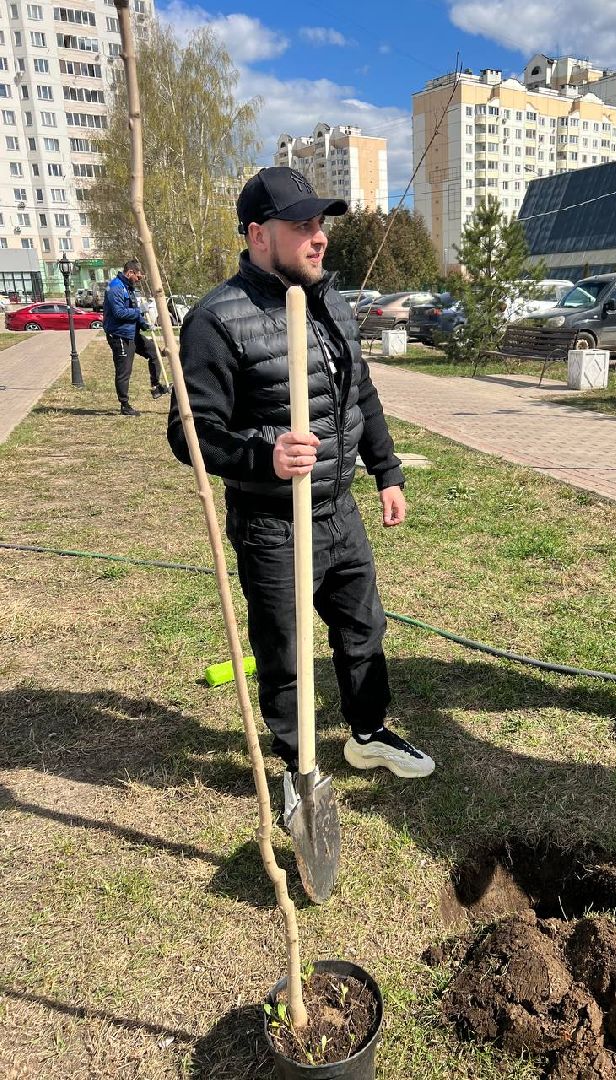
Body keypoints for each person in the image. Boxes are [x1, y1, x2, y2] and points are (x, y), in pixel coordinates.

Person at [167, 166, 434, 817]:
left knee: (363, 629)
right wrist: (264, 452)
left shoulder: (329, 299)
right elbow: (188, 433)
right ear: (259, 235)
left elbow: (359, 396)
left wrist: (387, 471)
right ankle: (296, 764)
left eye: (321, 224)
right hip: (271, 522)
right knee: (284, 651)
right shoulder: (216, 320)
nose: (319, 238)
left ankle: (367, 734)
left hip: (338, 510)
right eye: (302, 226)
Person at [103, 258, 170, 415]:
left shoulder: (129, 287)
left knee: (154, 353)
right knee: (124, 370)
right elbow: (119, 313)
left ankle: (156, 387)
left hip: (132, 332)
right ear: (130, 272)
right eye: (138, 277)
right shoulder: (116, 288)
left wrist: (145, 324)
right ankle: (124, 405)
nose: (139, 280)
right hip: (119, 335)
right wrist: (139, 311)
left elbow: (134, 310)